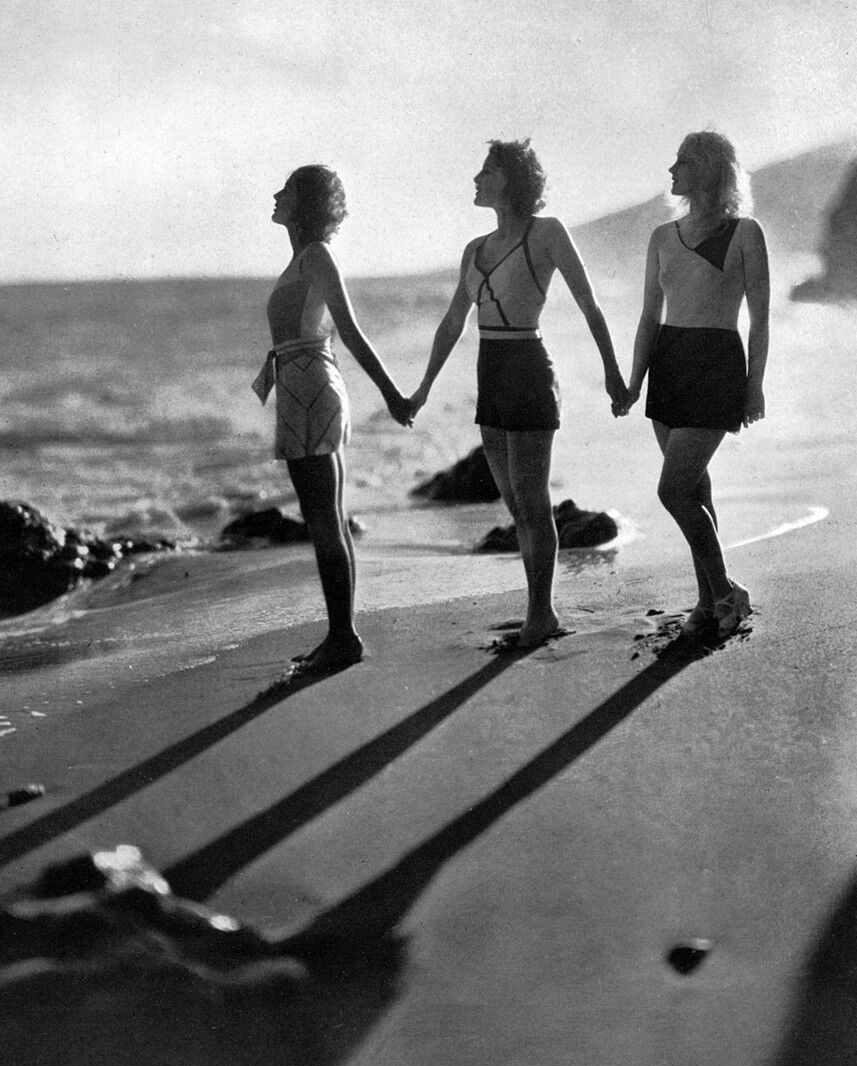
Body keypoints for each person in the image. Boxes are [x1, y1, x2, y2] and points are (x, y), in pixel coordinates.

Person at [409, 139, 627, 649]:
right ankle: (538, 609)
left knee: (533, 502)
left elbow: (590, 306)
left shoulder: (546, 233)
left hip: (528, 367)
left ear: (509, 178)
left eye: (486, 169)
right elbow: (451, 323)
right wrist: (421, 389)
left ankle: (541, 613)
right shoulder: (474, 250)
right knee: (515, 504)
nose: (477, 178)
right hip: (492, 374)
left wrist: (613, 376)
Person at [252, 164, 411, 674]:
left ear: (306, 205)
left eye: (288, 190)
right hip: (301, 388)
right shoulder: (300, 260)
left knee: (323, 517)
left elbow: (352, 332)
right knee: (325, 516)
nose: (277, 195)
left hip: (313, 391)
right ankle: (341, 635)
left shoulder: (317, 256)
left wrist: (392, 395)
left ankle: (344, 638)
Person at [622, 131, 770, 637]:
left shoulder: (746, 232)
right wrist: (633, 381)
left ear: (707, 169)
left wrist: (755, 386)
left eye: (682, 162)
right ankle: (708, 602)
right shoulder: (663, 237)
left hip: (716, 365)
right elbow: (648, 316)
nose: (671, 170)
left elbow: (761, 320)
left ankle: (727, 590)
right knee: (696, 488)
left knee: (674, 489)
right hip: (669, 363)